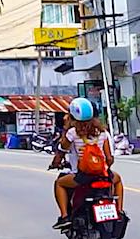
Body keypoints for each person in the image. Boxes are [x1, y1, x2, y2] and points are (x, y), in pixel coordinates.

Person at [51, 97, 124, 228]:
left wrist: (55, 163)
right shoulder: (102, 132)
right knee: (117, 180)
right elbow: (109, 158)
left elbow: (61, 150)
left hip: (81, 176)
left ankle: (64, 216)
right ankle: (119, 210)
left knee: (59, 183)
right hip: (103, 175)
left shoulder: (72, 133)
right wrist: (103, 168)